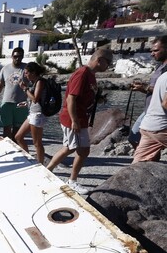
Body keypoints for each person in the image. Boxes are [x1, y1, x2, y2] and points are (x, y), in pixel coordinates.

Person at [46, 48, 114, 195]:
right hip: (74, 118)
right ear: (99, 60)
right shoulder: (82, 74)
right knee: (72, 148)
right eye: (108, 62)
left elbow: (85, 96)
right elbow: (71, 98)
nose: (109, 66)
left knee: (78, 149)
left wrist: (98, 99)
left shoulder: (91, 75)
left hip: (81, 117)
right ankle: (63, 177)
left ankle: (58, 174)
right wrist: (74, 120)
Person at [128, 36, 167, 149]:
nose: (152, 54)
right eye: (151, 51)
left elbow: (162, 92)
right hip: (149, 110)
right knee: (134, 138)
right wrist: (142, 88)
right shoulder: (160, 66)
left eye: (156, 50)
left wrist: (146, 88)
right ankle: (151, 163)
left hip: (160, 114)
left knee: (138, 139)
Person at [0, 47, 28, 140]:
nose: (17, 58)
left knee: (17, 129)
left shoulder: (27, 68)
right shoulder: (5, 69)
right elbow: (0, 85)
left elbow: (34, 82)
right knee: (6, 127)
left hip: (21, 103)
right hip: (7, 102)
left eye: (20, 56)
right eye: (15, 56)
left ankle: (15, 146)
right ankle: (7, 146)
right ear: (12, 56)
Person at [15, 62, 48, 164]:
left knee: (37, 143)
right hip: (32, 113)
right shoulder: (34, 82)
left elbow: (35, 98)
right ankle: (29, 160)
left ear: (33, 73)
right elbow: (34, 99)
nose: (25, 75)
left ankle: (41, 165)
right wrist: (25, 103)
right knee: (18, 137)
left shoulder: (40, 82)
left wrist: (24, 88)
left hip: (37, 115)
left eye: (26, 73)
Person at [132, 69, 167, 163]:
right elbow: (166, 103)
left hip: (149, 126)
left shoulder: (163, 76)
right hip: (162, 127)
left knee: (138, 164)